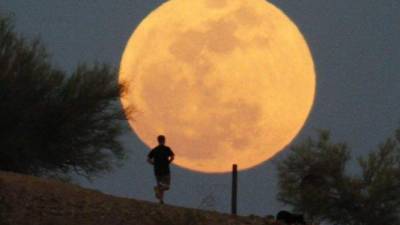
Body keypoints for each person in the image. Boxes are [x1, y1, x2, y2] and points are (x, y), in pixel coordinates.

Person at [147, 135, 175, 204]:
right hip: (165, 170)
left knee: (161, 185)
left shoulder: (155, 149)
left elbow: (148, 159)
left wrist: (153, 164)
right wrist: (169, 162)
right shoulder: (167, 148)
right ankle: (160, 197)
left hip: (157, 170)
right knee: (166, 186)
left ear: (158, 140)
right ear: (164, 140)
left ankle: (161, 200)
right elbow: (172, 156)